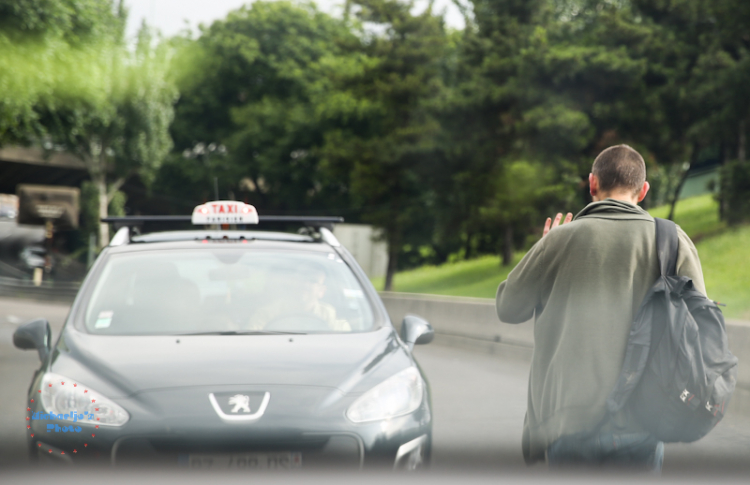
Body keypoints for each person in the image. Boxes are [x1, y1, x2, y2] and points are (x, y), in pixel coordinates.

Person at [495, 144, 706, 471]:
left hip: (568, 422)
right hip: (644, 421)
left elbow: (508, 307)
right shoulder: (672, 240)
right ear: (644, 190)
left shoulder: (560, 239)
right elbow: (701, 326)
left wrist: (544, 247)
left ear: (592, 184)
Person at [249, 265, 351, 332]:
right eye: (302, 278)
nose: (305, 284)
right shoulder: (267, 314)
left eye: (312, 281)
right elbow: (250, 340)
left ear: (322, 291)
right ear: (292, 283)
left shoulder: (329, 315)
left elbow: (347, 340)